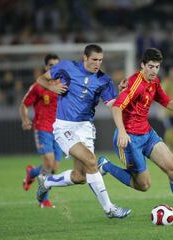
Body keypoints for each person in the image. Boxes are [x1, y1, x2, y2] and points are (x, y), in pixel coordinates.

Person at [98, 48, 173, 222]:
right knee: (144, 185)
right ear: (142, 65)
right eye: (151, 66)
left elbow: (163, 98)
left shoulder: (154, 81)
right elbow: (117, 107)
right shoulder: (134, 84)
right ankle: (105, 165)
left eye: (157, 66)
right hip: (129, 139)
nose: (154, 70)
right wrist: (123, 132)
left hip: (147, 134)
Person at [35, 44, 131, 219]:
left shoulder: (104, 80)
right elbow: (41, 79)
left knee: (80, 176)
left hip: (85, 127)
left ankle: (46, 181)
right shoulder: (67, 67)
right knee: (92, 161)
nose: (97, 64)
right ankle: (109, 208)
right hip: (64, 126)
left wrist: (122, 93)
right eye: (94, 59)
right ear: (85, 58)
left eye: (100, 60)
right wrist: (52, 87)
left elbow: (113, 105)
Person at [20, 53, 61, 208]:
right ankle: (43, 200)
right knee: (49, 163)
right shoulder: (38, 87)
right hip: (43, 128)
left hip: (59, 130)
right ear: (46, 67)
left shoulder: (62, 85)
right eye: (51, 65)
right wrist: (25, 119)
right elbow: (24, 104)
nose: (54, 68)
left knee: (54, 168)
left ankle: (31, 174)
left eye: (57, 65)